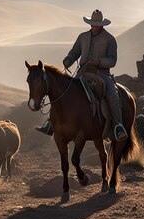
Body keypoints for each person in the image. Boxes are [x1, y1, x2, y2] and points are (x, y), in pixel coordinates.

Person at [35, 9, 128, 141]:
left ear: (102, 25)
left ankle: (118, 126)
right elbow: (74, 52)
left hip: (102, 73)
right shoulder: (82, 37)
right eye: (92, 24)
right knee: (63, 90)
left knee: (112, 93)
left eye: (97, 24)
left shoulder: (110, 39)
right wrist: (68, 59)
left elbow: (112, 60)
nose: (94, 26)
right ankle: (51, 122)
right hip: (83, 72)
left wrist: (99, 62)